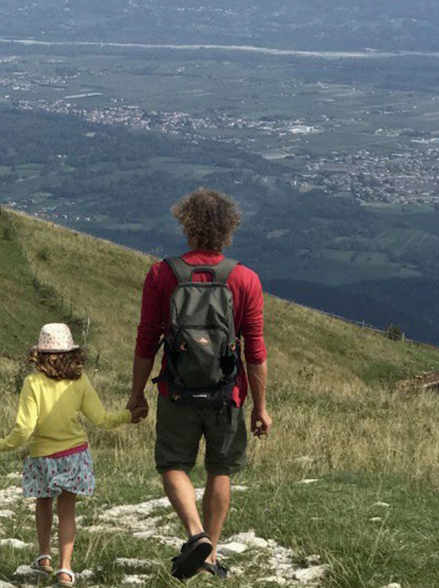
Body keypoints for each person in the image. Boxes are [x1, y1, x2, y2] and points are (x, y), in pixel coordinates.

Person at [127, 188, 271, 580]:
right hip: (227, 394)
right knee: (219, 470)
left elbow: (147, 338)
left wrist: (137, 392)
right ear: (228, 229)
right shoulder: (244, 278)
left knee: (174, 463)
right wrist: (260, 406)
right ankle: (210, 555)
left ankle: (195, 534)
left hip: (176, 389)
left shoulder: (163, 274)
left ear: (187, 224)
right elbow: (255, 350)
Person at [0, 323, 147, 588]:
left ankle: (44, 556)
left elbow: (24, 429)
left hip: (42, 457)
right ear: (72, 354)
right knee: (68, 512)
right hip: (74, 455)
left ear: (39, 354)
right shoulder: (80, 381)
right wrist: (128, 416)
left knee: (43, 503)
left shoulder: (32, 383)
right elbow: (101, 419)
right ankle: (66, 569)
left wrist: (1, 443)